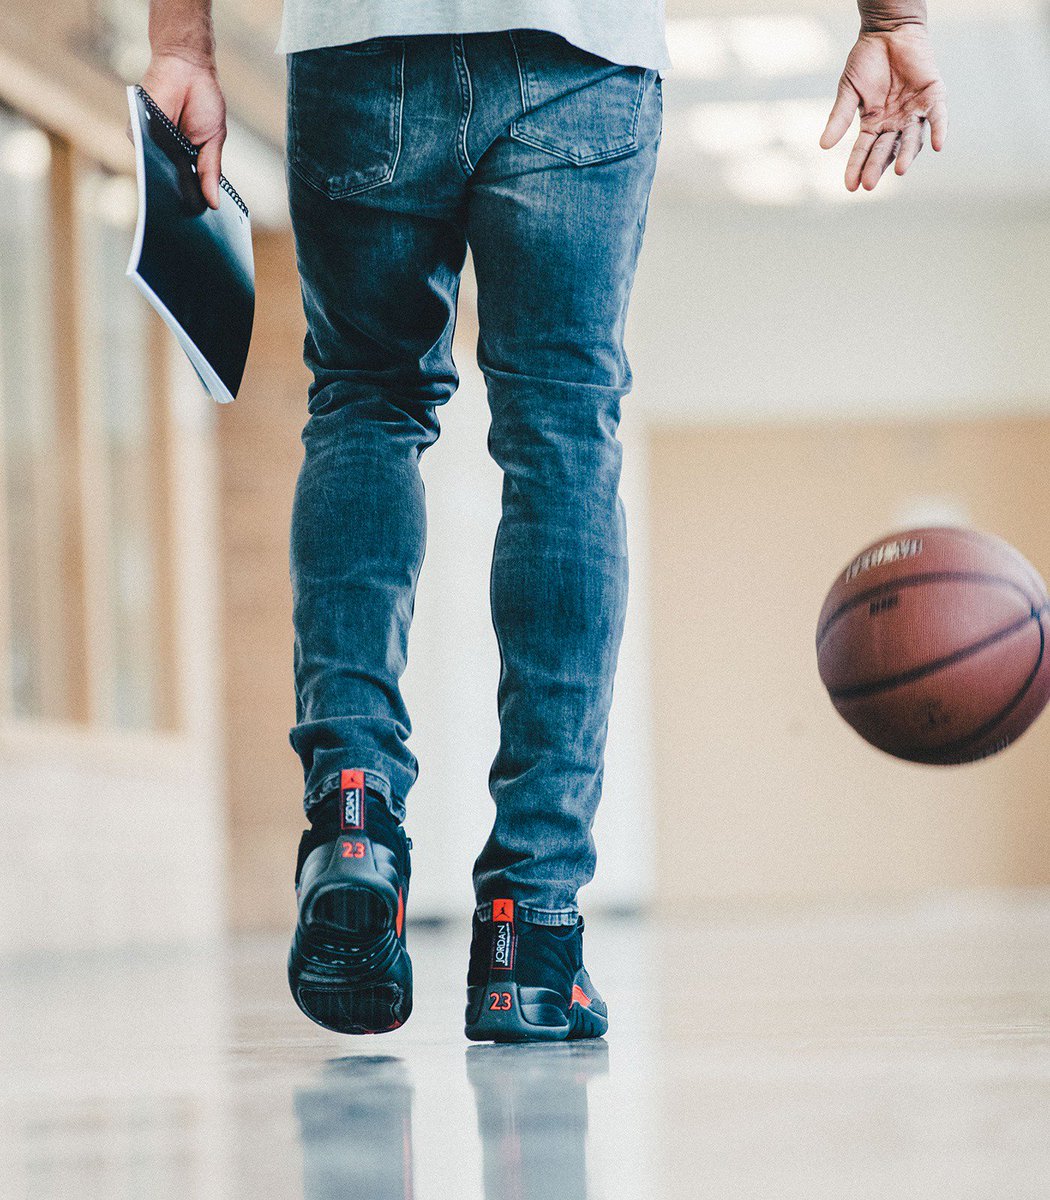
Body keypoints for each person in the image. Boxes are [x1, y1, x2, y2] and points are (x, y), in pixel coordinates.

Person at [142, 0, 946, 1041]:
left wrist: (180, 43)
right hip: (581, 50)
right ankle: (533, 927)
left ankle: (351, 805)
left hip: (360, 47)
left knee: (365, 404)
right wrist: (894, 17)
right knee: (562, 438)